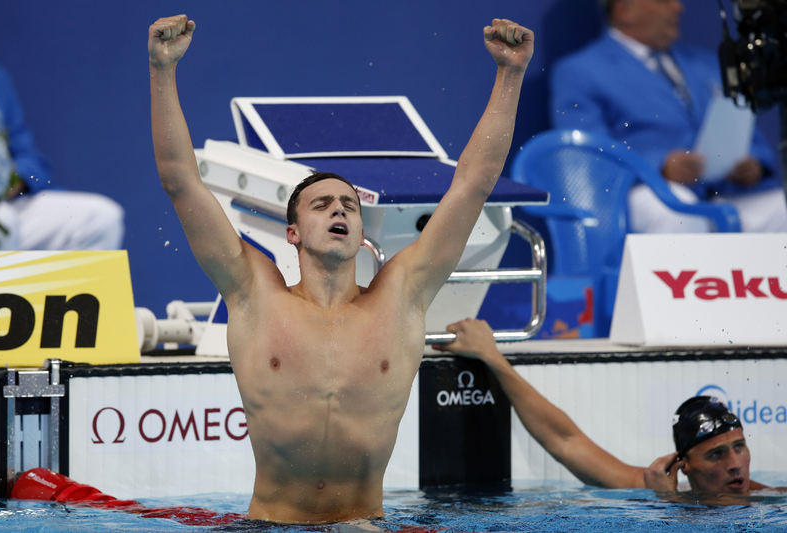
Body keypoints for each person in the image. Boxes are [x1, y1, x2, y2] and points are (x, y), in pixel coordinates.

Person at [148, 14, 534, 524]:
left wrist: (511, 75)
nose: (339, 210)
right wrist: (161, 69)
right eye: (322, 204)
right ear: (292, 233)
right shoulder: (253, 294)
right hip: (270, 525)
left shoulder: (401, 296)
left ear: (360, 229)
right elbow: (180, 180)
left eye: (349, 205)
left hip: (366, 525)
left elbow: (473, 184)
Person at [434, 318, 785, 499]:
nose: (735, 464)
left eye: (739, 447)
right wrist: (493, 357)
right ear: (684, 465)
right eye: (717, 454)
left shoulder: (771, 500)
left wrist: (669, 507)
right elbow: (566, 442)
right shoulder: (655, 489)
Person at [549, 0, 787, 234]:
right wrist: (659, 166)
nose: (678, 7)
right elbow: (586, 155)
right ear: (624, 10)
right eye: (664, 0)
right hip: (641, 192)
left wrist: (755, 165)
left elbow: (750, 135)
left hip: (722, 191)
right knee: (679, 211)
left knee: (780, 208)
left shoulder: (708, 63)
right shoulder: (579, 71)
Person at [0, 62, 124, 250]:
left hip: (6, 203)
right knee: (3, 222)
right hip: (0, 219)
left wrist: (10, 180)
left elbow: (30, 160)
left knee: (100, 218)